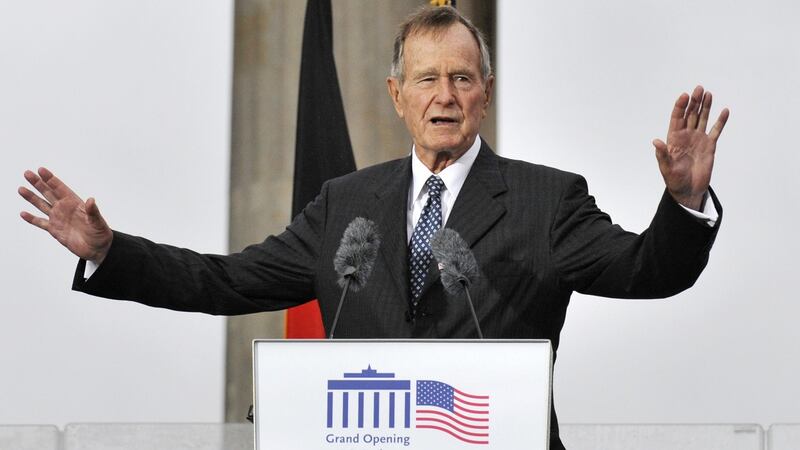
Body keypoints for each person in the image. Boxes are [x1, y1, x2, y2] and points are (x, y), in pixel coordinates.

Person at [18, 6, 728, 450]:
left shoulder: (548, 201)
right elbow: (225, 280)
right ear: (397, 95)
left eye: (461, 78)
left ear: (486, 91)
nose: (444, 96)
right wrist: (111, 252)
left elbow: (647, 270)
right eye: (426, 80)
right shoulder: (344, 204)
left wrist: (684, 205)